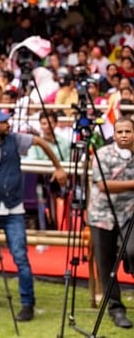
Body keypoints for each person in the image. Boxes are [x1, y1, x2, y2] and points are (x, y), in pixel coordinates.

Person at [0, 109, 68, 322]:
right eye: (3, 122)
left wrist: (58, 167)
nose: (8, 124)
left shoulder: (15, 139)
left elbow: (41, 142)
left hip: (14, 210)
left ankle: (27, 303)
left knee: (20, 256)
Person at [88, 115, 134, 330]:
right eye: (120, 132)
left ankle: (127, 260)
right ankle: (116, 309)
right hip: (102, 215)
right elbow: (103, 185)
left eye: (128, 131)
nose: (124, 135)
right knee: (105, 263)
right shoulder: (102, 154)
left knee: (132, 250)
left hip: (129, 213)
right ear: (114, 134)